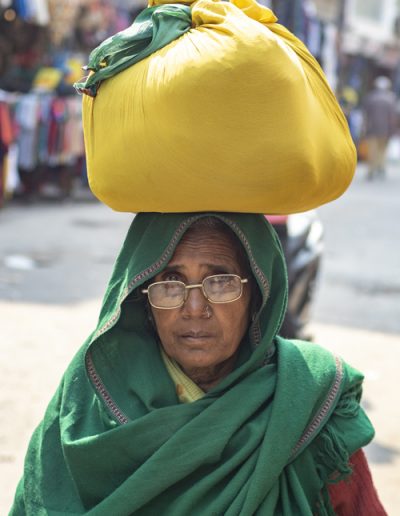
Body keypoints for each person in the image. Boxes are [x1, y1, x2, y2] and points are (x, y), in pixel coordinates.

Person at [10, 212, 386, 515]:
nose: (194, 308)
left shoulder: (305, 401)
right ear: (144, 296)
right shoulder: (87, 409)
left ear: (256, 293)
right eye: (171, 282)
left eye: (219, 282)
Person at [362, 76, 397, 180]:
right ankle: (380, 167)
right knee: (382, 150)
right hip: (385, 130)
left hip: (372, 128)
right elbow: (392, 117)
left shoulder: (370, 97)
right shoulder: (391, 99)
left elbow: (365, 115)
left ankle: (371, 170)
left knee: (372, 150)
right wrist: (392, 130)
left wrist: (364, 128)